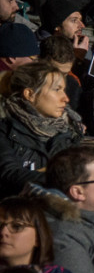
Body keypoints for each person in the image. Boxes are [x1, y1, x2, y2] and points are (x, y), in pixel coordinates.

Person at [0, 62, 84, 196]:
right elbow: (9, 173)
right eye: (57, 89)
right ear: (30, 94)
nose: (66, 98)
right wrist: (62, 180)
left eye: (64, 90)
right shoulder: (5, 130)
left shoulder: (68, 130)